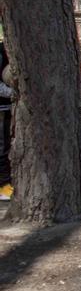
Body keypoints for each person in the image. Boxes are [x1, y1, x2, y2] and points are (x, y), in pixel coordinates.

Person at [0, 41, 12, 200]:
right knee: (2, 147)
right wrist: (14, 93)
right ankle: (3, 188)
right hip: (1, 109)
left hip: (6, 108)